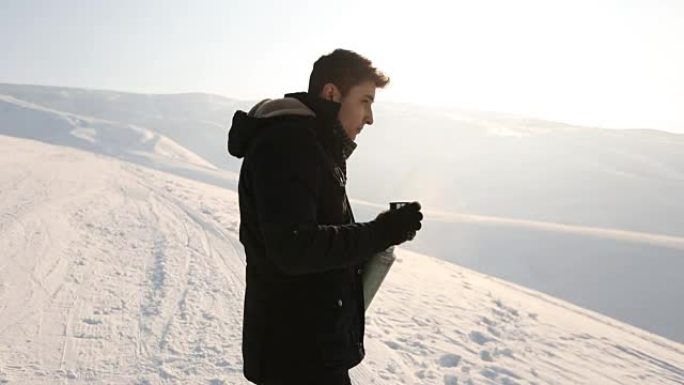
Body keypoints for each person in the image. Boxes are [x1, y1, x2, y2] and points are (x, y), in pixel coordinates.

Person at [227, 48, 424, 385]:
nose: (370, 117)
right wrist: (380, 232)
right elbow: (295, 247)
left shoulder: (314, 145)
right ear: (332, 94)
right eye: (365, 101)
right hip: (295, 359)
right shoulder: (288, 143)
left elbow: (316, 243)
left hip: (310, 351)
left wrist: (379, 240)